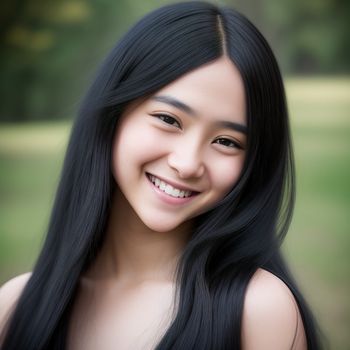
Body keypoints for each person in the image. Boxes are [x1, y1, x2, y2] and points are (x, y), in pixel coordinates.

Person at [0, 1, 322, 349]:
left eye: (227, 141)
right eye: (169, 119)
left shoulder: (259, 311)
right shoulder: (14, 309)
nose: (187, 164)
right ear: (114, 114)